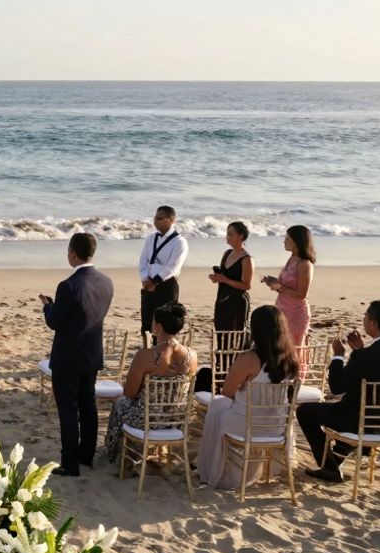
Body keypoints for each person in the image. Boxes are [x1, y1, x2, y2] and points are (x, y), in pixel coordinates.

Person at [296, 300, 380, 483]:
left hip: (359, 422)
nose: (363, 319)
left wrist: (338, 355)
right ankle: (339, 456)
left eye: (366, 316)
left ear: (374, 323)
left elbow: (336, 387)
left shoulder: (365, 357)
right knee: (347, 408)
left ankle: (330, 467)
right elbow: (379, 370)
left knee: (305, 411)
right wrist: (359, 352)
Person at [195, 306, 300, 490]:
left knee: (218, 405)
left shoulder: (249, 359)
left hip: (246, 425)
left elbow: (227, 391)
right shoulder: (291, 359)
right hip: (276, 427)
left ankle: (210, 469)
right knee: (220, 406)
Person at [40, 232, 114, 477]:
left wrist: (47, 306)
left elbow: (54, 322)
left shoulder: (68, 285)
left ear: (73, 252)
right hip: (91, 354)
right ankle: (86, 455)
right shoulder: (106, 282)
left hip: (68, 357)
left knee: (69, 410)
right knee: (88, 405)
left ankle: (70, 464)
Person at [99, 302, 198, 463]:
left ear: (158, 327)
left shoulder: (145, 356)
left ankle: (113, 451)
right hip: (175, 420)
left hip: (146, 420)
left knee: (119, 404)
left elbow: (129, 393)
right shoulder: (192, 356)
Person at [137, 206, 189, 335]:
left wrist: (155, 281)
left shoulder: (179, 242)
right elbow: (143, 261)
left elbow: (173, 267)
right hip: (148, 284)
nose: (155, 221)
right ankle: (147, 349)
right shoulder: (150, 238)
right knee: (147, 321)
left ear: (170, 220)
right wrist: (144, 279)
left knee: (166, 322)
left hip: (166, 285)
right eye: (155, 218)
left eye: (159, 218)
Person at [263, 224, 314, 346]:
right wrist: (274, 282)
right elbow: (286, 286)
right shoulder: (291, 259)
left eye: (288, 238)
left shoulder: (304, 264)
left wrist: (280, 287)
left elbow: (302, 294)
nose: (284, 241)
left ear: (297, 241)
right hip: (281, 309)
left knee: (292, 351)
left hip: (296, 313)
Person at [207, 221, 253, 331]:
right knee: (220, 332)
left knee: (234, 334)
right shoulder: (227, 253)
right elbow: (224, 277)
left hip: (237, 301)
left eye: (230, 234)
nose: (227, 237)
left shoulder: (247, 259)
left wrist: (225, 280)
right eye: (227, 234)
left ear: (240, 236)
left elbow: (246, 285)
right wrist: (217, 278)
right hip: (222, 298)